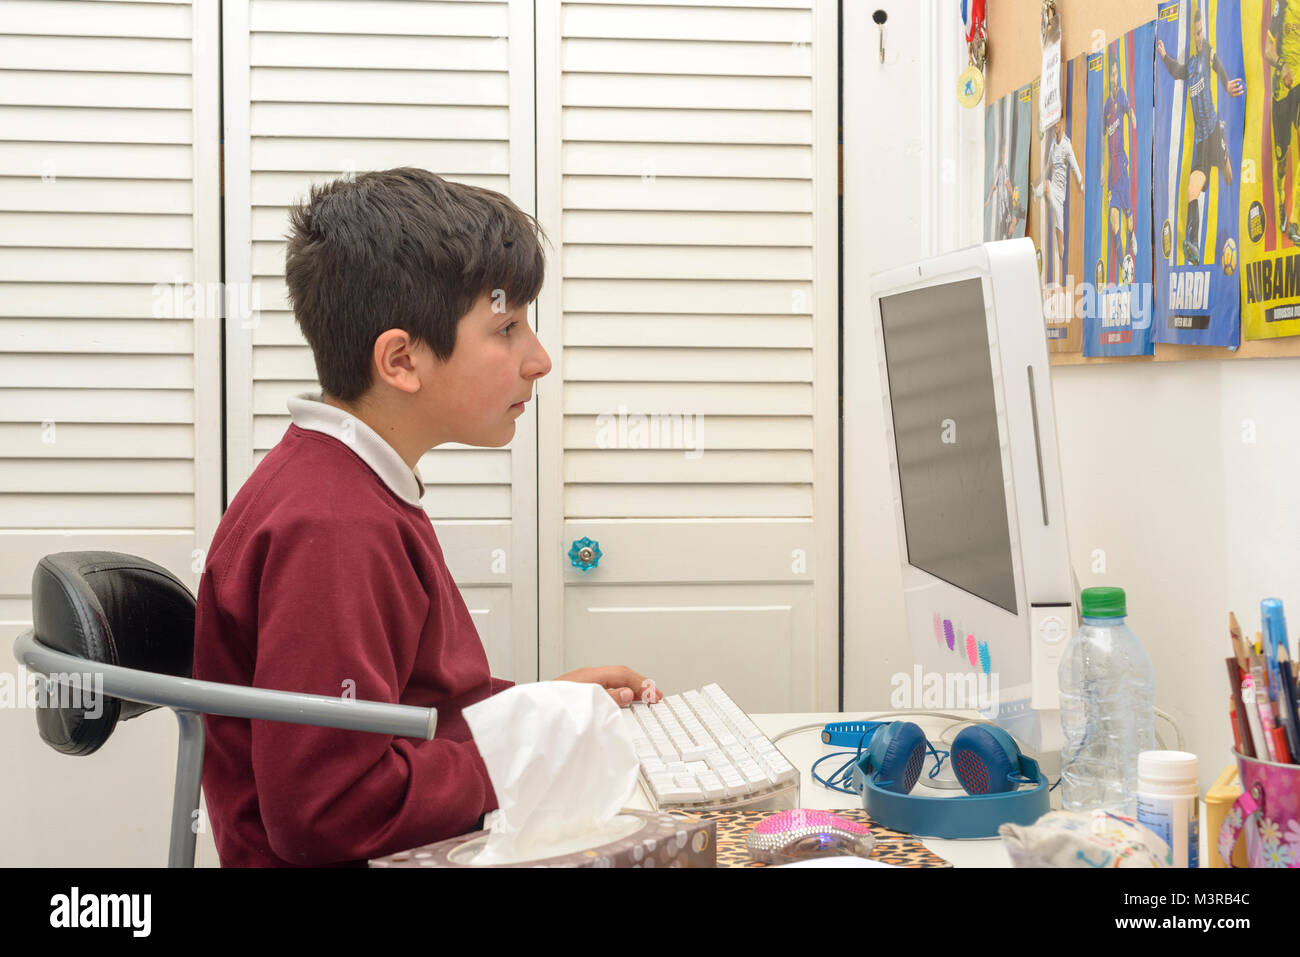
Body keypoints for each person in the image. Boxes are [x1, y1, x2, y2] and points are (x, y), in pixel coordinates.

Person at [193, 168, 661, 867]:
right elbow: (330, 808)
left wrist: (540, 708)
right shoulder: (332, 528)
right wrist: (526, 751)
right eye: (506, 328)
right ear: (402, 360)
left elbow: (411, 707)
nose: (540, 360)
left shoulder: (343, 484)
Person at [1156, 6, 1244, 264]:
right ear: (1192, 35)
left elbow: (1218, 66)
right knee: (1191, 191)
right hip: (1200, 143)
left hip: (1215, 133)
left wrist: (1227, 84)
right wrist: (1163, 55)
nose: (1200, 36)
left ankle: (1225, 145)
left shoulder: (1206, 52)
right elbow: (1176, 71)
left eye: (1201, 31)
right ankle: (1192, 244)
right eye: (1196, 33)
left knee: (1228, 177)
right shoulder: (1192, 65)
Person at [1034, 116, 1084, 285]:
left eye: (1058, 124)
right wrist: (1041, 178)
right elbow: (1048, 166)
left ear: (1062, 125)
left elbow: (1075, 166)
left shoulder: (1066, 146)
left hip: (1060, 193)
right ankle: (1038, 192)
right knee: (1046, 185)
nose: (1056, 127)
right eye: (1054, 125)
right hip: (1052, 186)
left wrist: (1081, 183)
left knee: (1059, 232)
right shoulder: (1053, 146)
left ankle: (1061, 254)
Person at [1103, 57, 1139, 281]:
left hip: (1122, 167)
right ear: (1108, 78)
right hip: (1112, 175)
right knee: (1113, 222)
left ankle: (1133, 235)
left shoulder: (1122, 95)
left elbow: (1130, 111)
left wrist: (1134, 119)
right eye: (1112, 75)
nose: (1114, 79)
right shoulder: (1106, 105)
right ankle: (1124, 265)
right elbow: (1102, 136)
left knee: (1127, 215)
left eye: (1116, 74)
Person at [1267, 0, 1300, 242]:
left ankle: (1295, 221)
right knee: (1282, 161)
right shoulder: (1282, 5)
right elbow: (1268, 50)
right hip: (1282, 90)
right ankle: (1281, 204)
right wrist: (1283, 65)